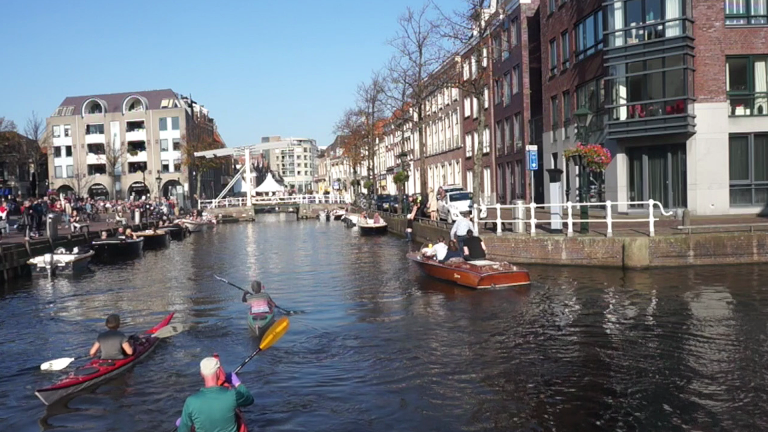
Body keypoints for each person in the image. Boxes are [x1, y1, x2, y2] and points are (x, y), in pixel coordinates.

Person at [176, 356, 254, 432]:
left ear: (201, 374)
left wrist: (184, 422)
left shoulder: (190, 402)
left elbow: (183, 430)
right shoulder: (232, 395)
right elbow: (249, 399)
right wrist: (237, 383)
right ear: (218, 372)